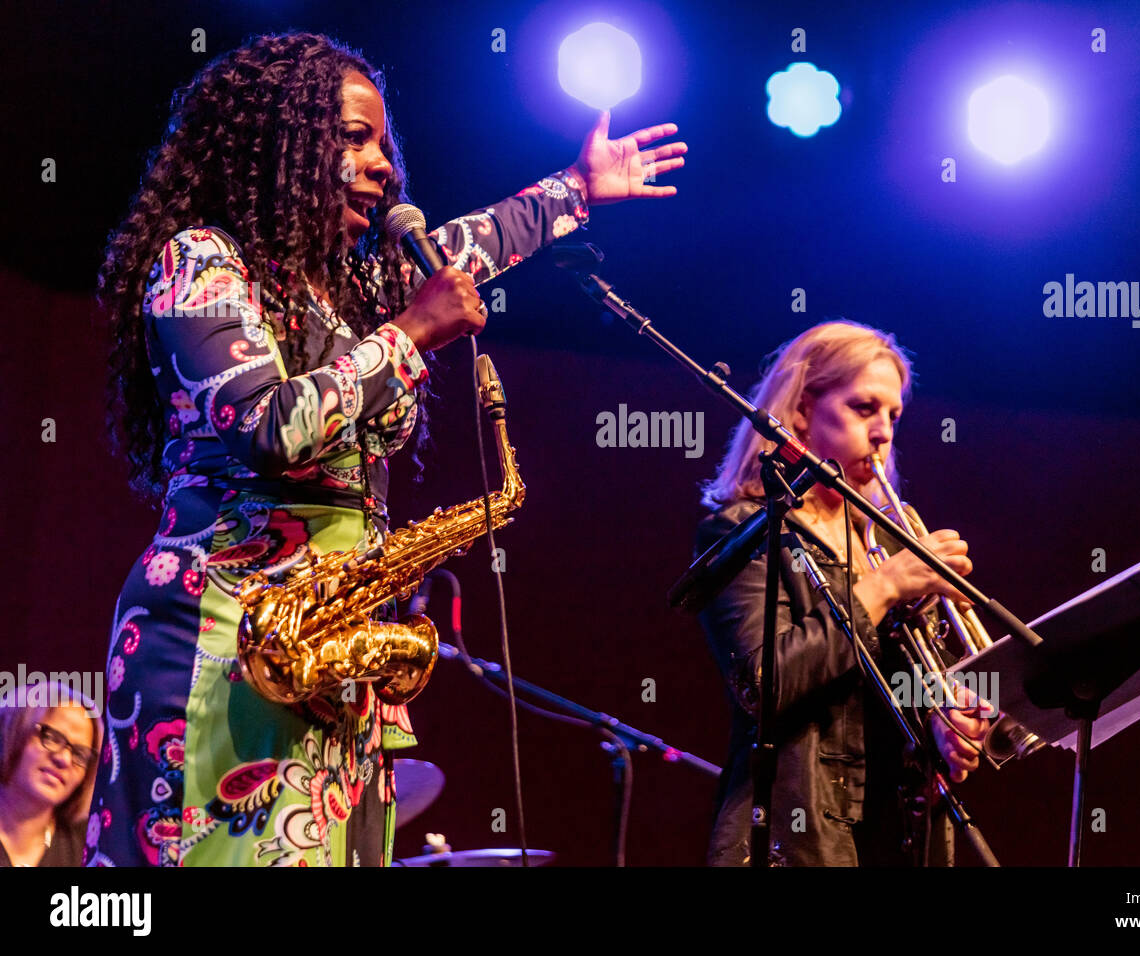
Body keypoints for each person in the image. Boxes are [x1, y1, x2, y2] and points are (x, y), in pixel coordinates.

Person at [92, 31, 686, 867]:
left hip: (329, 638)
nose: (383, 165)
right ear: (279, 145)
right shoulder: (200, 260)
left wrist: (576, 190)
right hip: (219, 636)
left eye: (384, 142)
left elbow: (471, 247)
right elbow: (263, 425)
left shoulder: (344, 292)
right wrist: (412, 333)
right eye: (353, 137)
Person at [695, 320, 990, 866]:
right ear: (803, 409)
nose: (883, 432)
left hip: (897, 834)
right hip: (795, 837)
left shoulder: (884, 536)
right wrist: (882, 589)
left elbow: (901, 688)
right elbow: (762, 684)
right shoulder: (744, 529)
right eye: (864, 408)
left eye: (894, 416)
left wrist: (941, 720)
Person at [0, 681, 103, 867]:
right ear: (11, 730)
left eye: (80, 754)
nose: (64, 759)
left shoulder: (88, 851)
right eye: (52, 737)